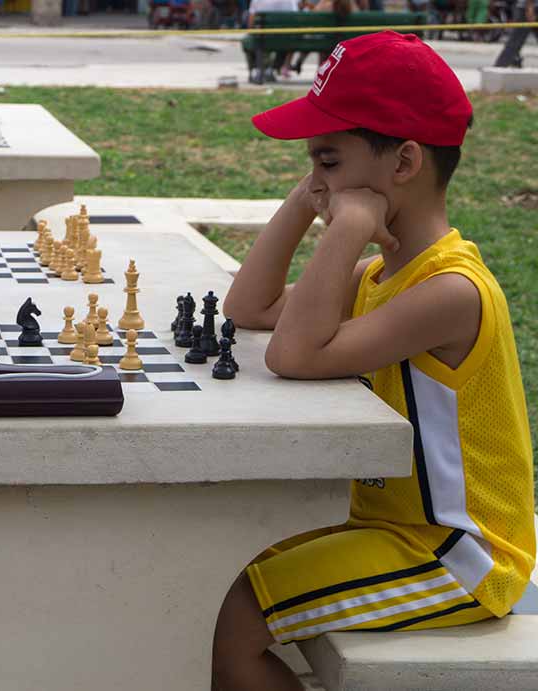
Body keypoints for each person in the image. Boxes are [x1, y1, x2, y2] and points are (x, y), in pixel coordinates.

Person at [215, 31, 535, 691]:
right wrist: (310, 199)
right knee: (214, 571)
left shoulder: (450, 291)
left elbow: (294, 353)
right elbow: (247, 307)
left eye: (328, 160)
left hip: (460, 555)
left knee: (235, 617)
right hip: (393, 531)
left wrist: (351, 224)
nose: (318, 181)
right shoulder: (379, 276)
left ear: (405, 163)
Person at [495, 0, 537, 66]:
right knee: (516, 40)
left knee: (516, 40)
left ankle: (503, 64)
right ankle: (500, 65)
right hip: (529, 8)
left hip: (528, 7)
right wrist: (530, 8)